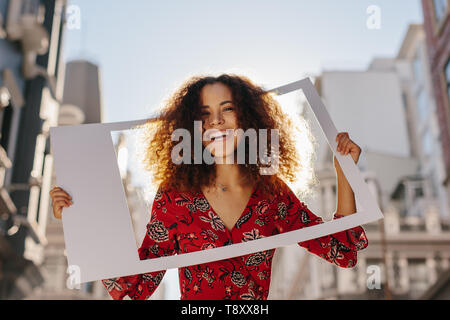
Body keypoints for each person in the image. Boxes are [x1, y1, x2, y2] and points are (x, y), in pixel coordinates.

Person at [49, 73, 368, 300]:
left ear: (248, 120)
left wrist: (344, 172)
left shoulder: (273, 195)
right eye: (204, 115)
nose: (216, 122)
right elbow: (134, 287)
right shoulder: (175, 197)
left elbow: (343, 252)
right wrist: (79, 221)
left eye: (227, 109)